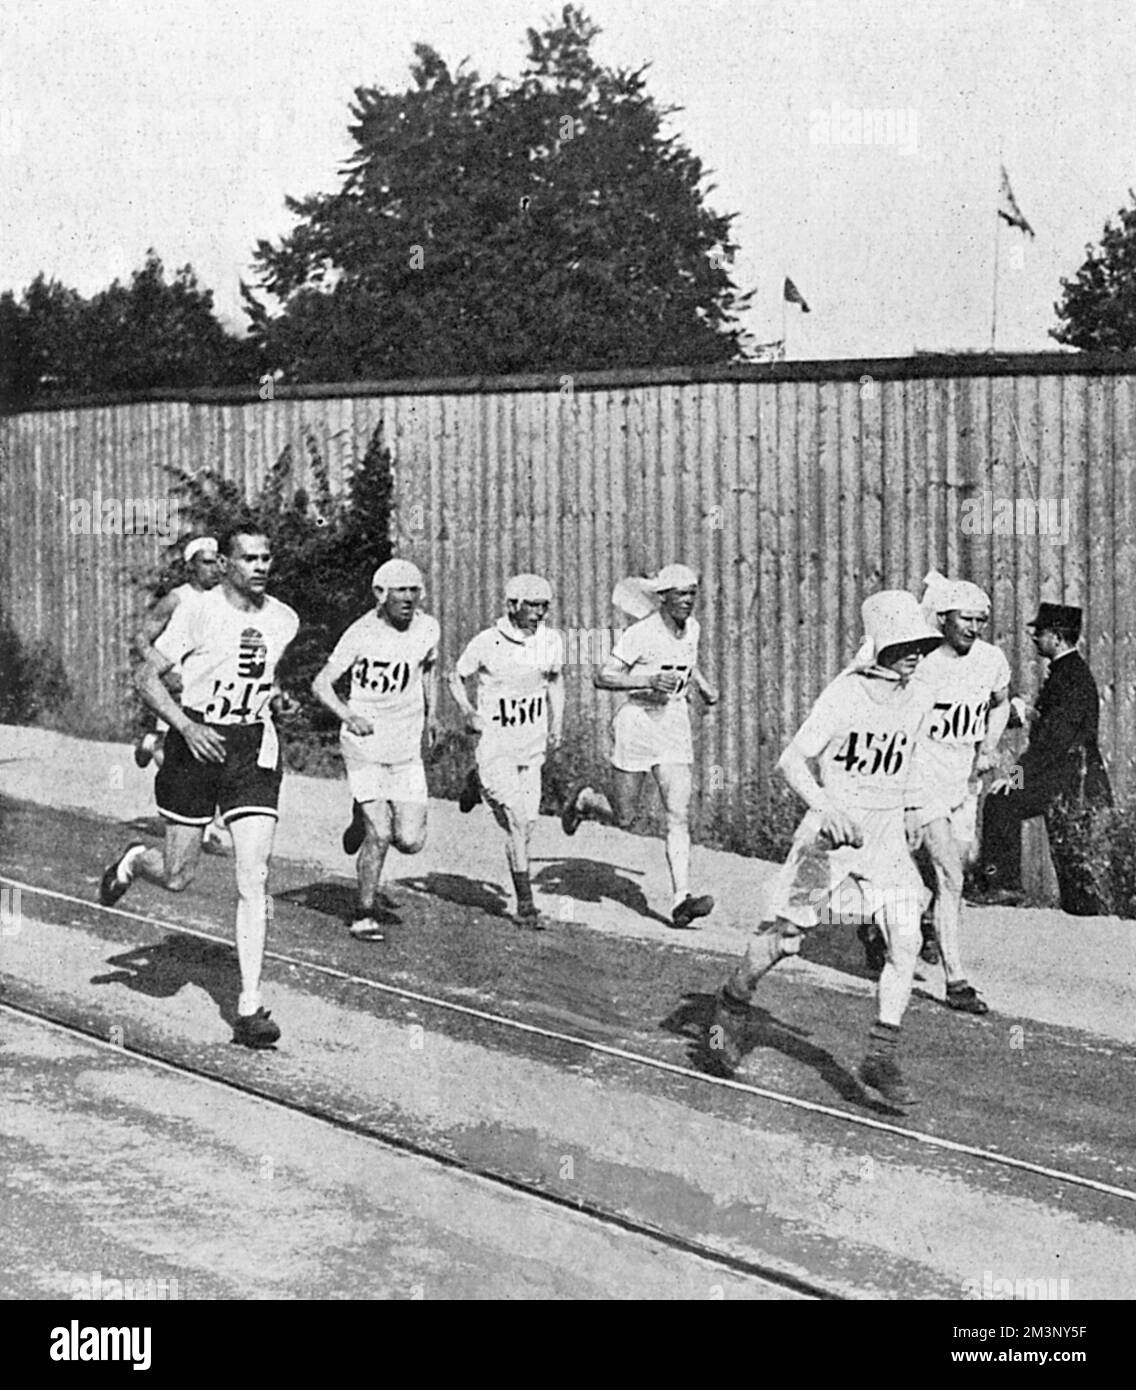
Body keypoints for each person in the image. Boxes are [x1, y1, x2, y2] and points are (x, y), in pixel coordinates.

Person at [705, 591, 942, 1111]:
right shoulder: (845, 694)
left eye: (922, 644)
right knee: (784, 938)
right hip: (829, 838)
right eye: (904, 644)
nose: (915, 654)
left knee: (905, 940)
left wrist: (914, 811)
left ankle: (881, 1053)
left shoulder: (919, 695)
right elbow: (792, 760)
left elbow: (912, 759)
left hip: (884, 841)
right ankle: (729, 1009)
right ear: (879, 644)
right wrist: (826, 804)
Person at [98, 524, 300, 1049]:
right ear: (227, 564)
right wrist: (186, 727)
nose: (260, 566)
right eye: (249, 558)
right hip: (195, 742)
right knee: (177, 876)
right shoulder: (198, 610)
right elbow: (146, 678)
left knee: (252, 875)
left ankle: (250, 1007)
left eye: (266, 557)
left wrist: (276, 700)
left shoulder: (284, 619)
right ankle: (134, 860)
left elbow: (261, 672)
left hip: (252, 749)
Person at [560, 564, 719, 930]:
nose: (688, 601)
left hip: (674, 724)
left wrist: (703, 685)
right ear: (663, 598)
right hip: (637, 725)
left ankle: (681, 899)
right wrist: (648, 679)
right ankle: (585, 801)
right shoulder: (640, 633)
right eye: (680, 594)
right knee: (625, 817)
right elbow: (603, 676)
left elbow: (687, 663)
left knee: (678, 814)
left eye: (692, 593)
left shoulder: (692, 628)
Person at [893, 571, 1011, 1015]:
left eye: (981, 620)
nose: (974, 628)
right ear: (944, 619)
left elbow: (999, 702)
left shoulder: (991, 660)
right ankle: (956, 979)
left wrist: (990, 745)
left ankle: (903, 923)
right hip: (923, 778)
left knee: (961, 865)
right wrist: (903, 794)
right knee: (951, 878)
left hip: (964, 781)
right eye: (966, 619)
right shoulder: (922, 662)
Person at [311, 559, 439, 941]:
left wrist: (432, 716)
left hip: (405, 749)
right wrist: (348, 715)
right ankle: (364, 912)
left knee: (411, 840)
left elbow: (428, 667)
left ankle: (360, 815)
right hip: (364, 744)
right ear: (380, 594)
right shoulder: (361, 633)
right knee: (380, 833)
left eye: (414, 590)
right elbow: (322, 684)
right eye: (399, 590)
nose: (408, 598)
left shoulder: (428, 628)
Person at [977, 603, 1113, 915]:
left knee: (1002, 802)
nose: (1035, 638)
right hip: (1068, 775)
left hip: (1070, 778)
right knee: (1072, 865)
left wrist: (1013, 778)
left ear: (1056, 637)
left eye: (1039, 633)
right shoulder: (1070, 673)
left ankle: (1003, 886)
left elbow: (1051, 743)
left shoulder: (1070, 677)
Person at [448, 574, 565, 928]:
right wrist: (468, 712)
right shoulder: (487, 642)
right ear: (513, 605)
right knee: (515, 819)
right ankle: (526, 906)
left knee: (526, 828)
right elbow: (455, 676)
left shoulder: (550, 641)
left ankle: (475, 784)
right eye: (533, 605)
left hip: (529, 749)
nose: (540, 613)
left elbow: (555, 681)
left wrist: (557, 724)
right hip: (495, 746)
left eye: (545, 606)